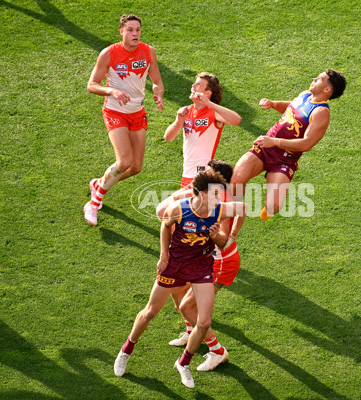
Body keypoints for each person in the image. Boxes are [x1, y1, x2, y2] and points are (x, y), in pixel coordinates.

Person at [113, 170, 246, 389]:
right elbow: (165, 226)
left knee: (204, 322)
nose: (218, 198)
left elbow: (242, 209)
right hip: (174, 267)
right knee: (150, 313)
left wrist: (230, 237)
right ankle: (126, 349)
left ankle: (184, 363)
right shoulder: (179, 209)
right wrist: (163, 256)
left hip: (201, 268)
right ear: (200, 194)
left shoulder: (219, 210)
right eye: (214, 194)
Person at [157, 160, 242, 372]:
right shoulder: (203, 198)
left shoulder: (219, 204)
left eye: (209, 174)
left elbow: (222, 238)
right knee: (179, 293)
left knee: (187, 306)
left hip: (221, 263)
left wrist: (227, 236)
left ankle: (217, 351)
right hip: (202, 259)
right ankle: (191, 332)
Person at [230, 69, 346, 220]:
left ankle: (265, 210)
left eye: (319, 79)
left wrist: (275, 142)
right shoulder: (305, 95)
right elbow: (291, 107)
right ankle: (231, 216)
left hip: (284, 159)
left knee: (273, 206)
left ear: (327, 89)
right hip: (265, 148)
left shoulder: (321, 113)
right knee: (235, 181)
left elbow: (307, 144)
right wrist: (273, 104)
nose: (314, 78)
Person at [84, 14, 165, 226]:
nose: (135, 33)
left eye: (137, 29)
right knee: (124, 161)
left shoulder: (148, 52)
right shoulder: (109, 53)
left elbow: (156, 80)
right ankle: (94, 203)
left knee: (136, 167)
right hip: (115, 112)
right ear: (121, 31)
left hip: (137, 113)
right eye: (130, 30)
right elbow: (92, 84)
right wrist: (112, 91)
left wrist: (158, 93)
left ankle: (100, 184)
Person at [164, 72, 242, 189]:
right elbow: (168, 138)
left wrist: (209, 103)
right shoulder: (187, 111)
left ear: (207, 93)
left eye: (198, 85)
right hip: (187, 174)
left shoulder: (213, 113)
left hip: (203, 175)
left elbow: (236, 120)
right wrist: (179, 121)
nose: (193, 86)